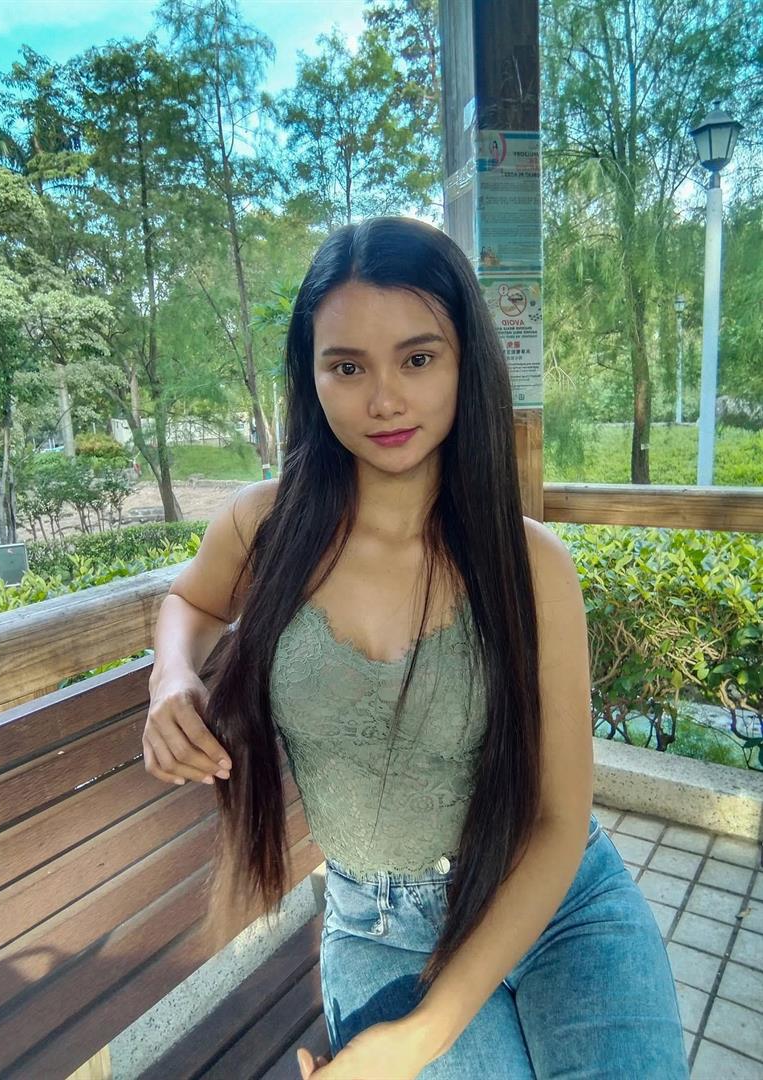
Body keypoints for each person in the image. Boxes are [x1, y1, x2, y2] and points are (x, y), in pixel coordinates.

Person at [143, 216, 689, 1079]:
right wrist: (170, 678)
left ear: (465, 362)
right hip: (381, 927)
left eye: (418, 358)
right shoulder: (263, 526)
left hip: (558, 906)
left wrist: (422, 1035)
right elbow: (192, 599)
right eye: (346, 367)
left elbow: (557, 821)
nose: (384, 400)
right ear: (310, 375)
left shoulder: (530, 566)